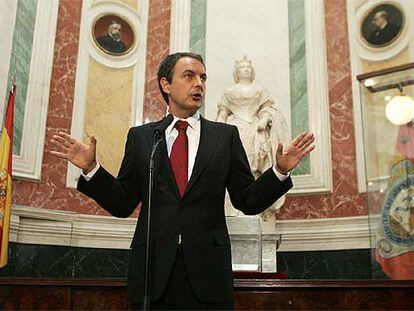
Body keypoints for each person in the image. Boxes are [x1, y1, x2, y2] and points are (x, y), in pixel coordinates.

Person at [50, 52, 315, 310]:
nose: (198, 83)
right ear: (166, 84)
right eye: (189, 76)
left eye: (203, 77)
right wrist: (91, 169)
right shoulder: (143, 138)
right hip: (152, 276)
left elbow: (247, 199)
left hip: (208, 275)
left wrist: (279, 170)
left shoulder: (225, 136)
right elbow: (123, 203)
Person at [216, 56, 290, 221]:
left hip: (255, 129)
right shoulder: (229, 92)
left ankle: (255, 205)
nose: (246, 69)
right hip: (235, 128)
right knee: (235, 165)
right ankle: (234, 207)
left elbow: (267, 108)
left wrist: (264, 118)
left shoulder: (259, 90)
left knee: (255, 164)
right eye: (242, 67)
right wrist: (217, 130)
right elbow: (224, 112)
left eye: (248, 67)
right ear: (237, 71)